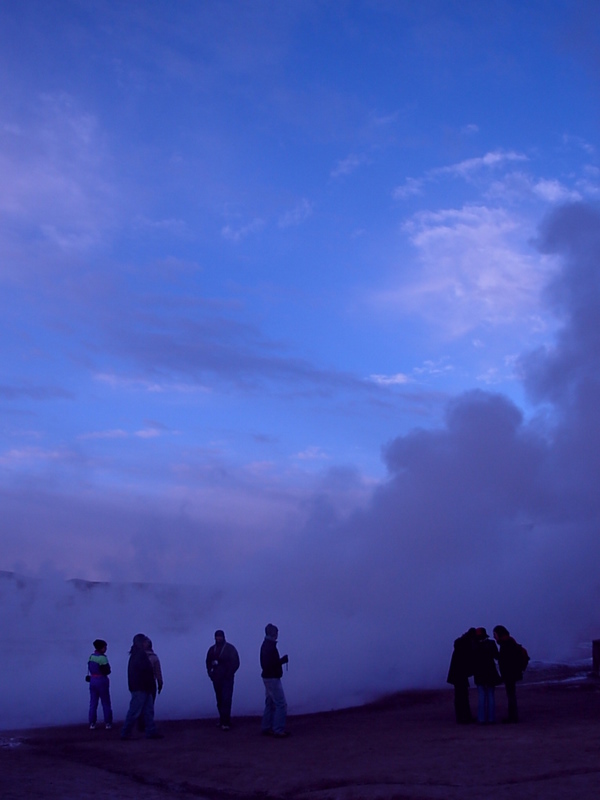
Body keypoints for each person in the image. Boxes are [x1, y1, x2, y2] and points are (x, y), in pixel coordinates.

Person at [120, 633, 163, 740]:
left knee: (147, 710)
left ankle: (150, 731)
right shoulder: (140, 655)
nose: (146, 643)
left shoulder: (136, 655)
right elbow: (145, 671)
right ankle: (125, 733)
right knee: (136, 711)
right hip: (141, 687)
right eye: (144, 641)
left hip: (143, 687)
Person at [206, 629, 240, 730]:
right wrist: (210, 674)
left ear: (223, 637)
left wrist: (229, 673)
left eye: (220, 636)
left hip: (227, 679)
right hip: (216, 678)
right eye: (217, 636)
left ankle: (226, 721)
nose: (219, 638)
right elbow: (208, 662)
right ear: (215, 637)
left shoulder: (230, 648)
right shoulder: (212, 649)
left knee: (226, 699)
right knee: (219, 700)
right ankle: (222, 720)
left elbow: (236, 662)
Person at [260, 623, 289, 738]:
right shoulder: (270, 646)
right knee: (281, 704)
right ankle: (278, 729)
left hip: (267, 677)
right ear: (273, 633)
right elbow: (270, 664)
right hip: (272, 678)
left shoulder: (266, 645)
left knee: (270, 702)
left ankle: (266, 727)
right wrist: (282, 661)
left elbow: (266, 664)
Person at [493, 625, 524, 723]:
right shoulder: (510, 641)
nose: (494, 637)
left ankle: (513, 717)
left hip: (509, 674)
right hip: (513, 673)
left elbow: (505, 660)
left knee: (511, 695)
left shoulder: (505, 644)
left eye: (495, 634)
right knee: (511, 694)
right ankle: (513, 716)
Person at [446, 628, 476, 723]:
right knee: (463, 696)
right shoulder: (467, 645)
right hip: (461, 674)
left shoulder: (460, 643)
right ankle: (465, 717)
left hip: (456, 674)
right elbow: (469, 660)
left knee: (459, 696)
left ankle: (461, 717)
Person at [473, 627, 501, 724]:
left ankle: (481, 719)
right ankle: (491, 718)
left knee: (481, 695)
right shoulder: (491, 643)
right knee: (490, 695)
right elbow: (497, 657)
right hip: (490, 672)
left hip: (479, 673)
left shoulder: (474, 645)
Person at [137, 637, 163, 732]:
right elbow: (158, 672)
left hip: (139, 684)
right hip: (151, 684)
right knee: (149, 706)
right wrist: (160, 683)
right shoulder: (154, 657)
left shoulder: (137, 657)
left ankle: (140, 725)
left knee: (140, 705)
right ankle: (148, 725)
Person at [87, 638, 113, 730]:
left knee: (93, 703)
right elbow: (107, 671)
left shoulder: (91, 656)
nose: (106, 648)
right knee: (106, 703)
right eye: (105, 647)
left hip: (93, 680)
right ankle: (108, 723)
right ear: (101, 648)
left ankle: (92, 723)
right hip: (102, 680)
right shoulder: (103, 658)